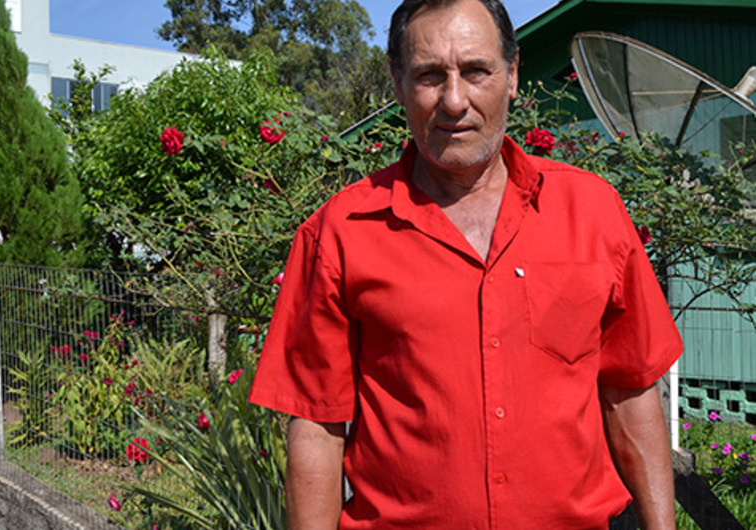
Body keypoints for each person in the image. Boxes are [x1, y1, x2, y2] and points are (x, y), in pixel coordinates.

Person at [249, 0, 683, 528]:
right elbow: (317, 428)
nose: (454, 101)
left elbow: (631, 390)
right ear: (398, 83)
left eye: (476, 71)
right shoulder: (339, 235)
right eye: (431, 76)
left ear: (513, 74)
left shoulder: (592, 214)